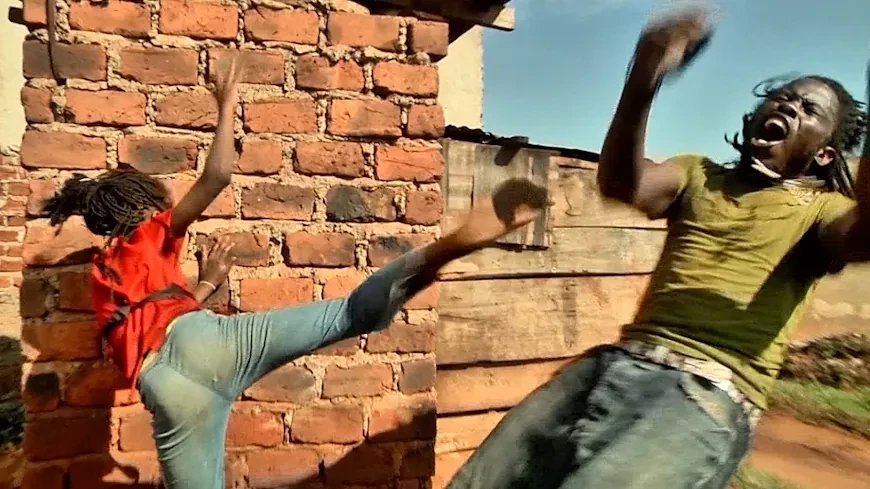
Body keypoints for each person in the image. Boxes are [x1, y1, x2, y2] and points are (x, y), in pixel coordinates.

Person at [40, 56, 551, 489]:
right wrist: (226, 101)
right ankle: (436, 253)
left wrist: (207, 283)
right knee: (350, 313)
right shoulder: (150, 232)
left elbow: (145, 326)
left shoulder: (102, 274)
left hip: (164, 383)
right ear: (142, 205)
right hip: (211, 341)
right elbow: (217, 176)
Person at [444, 6, 869, 489]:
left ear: (825, 154)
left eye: (808, 110)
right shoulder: (697, 173)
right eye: (783, 98)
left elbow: (861, 234)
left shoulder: (822, 210)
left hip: (706, 395)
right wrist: (644, 77)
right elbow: (622, 185)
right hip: (612, 365)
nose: (788, 107)